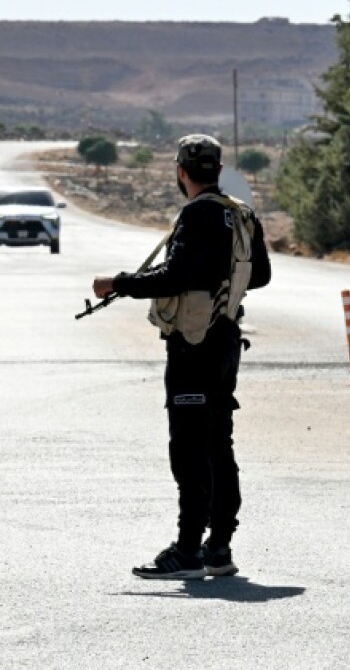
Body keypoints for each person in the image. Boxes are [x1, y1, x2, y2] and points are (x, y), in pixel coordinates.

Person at [92, 134, 272, 580]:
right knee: (218, 443)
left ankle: (189, 549)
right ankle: (220, 547)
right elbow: (262, 274)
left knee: (190, 448)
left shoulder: (197, 215)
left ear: (181, 172)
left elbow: (176, 275)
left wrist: (118, 283)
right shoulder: (241, 214)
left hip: (195, 347)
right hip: (226, 341)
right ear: (219, 169)